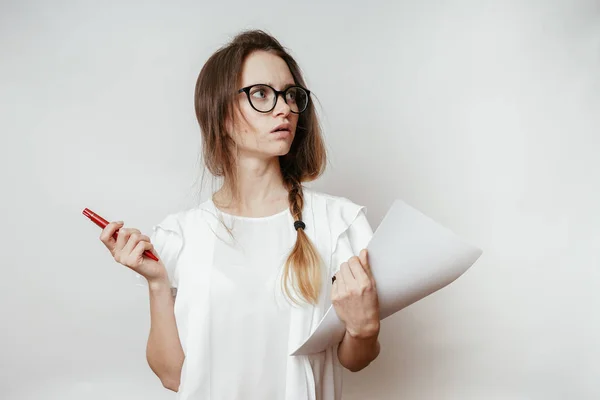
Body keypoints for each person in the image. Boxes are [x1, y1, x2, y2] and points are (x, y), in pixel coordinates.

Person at [100, 29, 381, 400]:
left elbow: (354, 360)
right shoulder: (181, 235)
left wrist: (364, 330)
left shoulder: (340, 224)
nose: (284, 108)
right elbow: (173, 376)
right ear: (220, 112)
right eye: (261, 93)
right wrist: (156, 282)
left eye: (291, 95)